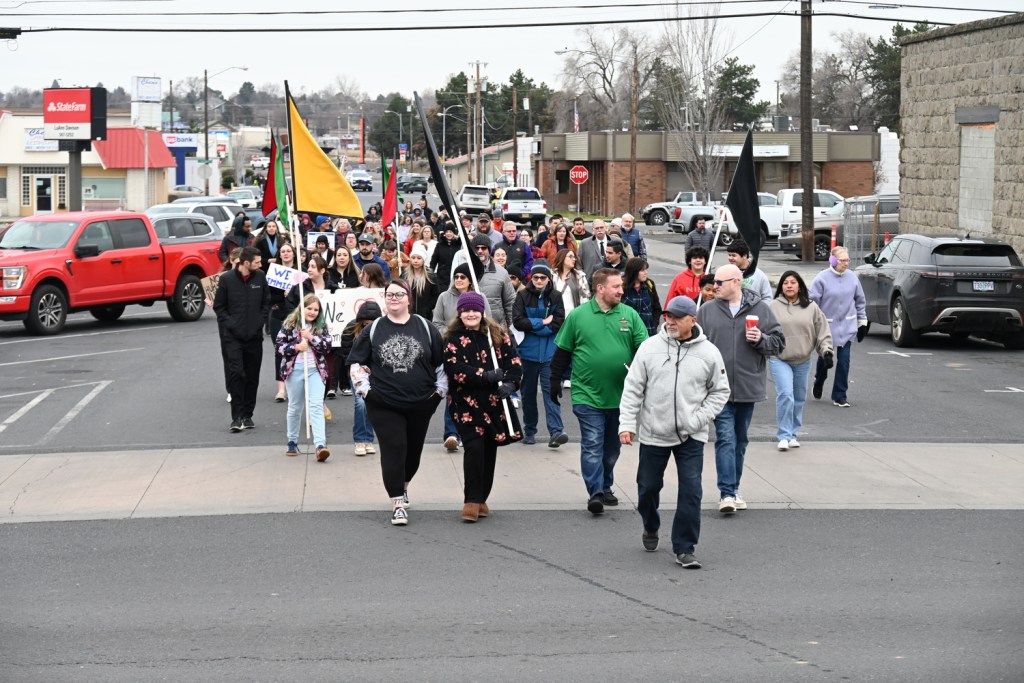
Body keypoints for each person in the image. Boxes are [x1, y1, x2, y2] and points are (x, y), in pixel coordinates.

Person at [619, 296, 730, 569]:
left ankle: (684, 547)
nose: (670, 321)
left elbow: (720, 391)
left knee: (691, 491)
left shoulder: (709, 353)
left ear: (693, 320)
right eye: (668, 316)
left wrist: (698, 419)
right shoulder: (649, 348)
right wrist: (627, 424)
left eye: (677, 317)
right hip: (655, 431)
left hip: (691, 435)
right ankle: (650, 524)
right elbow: (633, 388)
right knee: (647, 488)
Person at [347, 278, 447, 526]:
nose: (394, 298)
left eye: (399, 294)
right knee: (394, 448)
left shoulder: (425, 327)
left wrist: (438, 394)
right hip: (384, 403)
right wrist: (367, 392)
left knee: (412, 453)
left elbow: (442, 364)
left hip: (421, 402)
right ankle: (397, 504)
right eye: (390, 294)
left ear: (408, 298)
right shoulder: (374, 329)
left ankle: (402, 487)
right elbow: (356, 363)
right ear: (384, 298)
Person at [550, 269, 648, 514]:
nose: (621, 290)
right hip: (587, 394)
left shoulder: (630, 315)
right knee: (593, 443)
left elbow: (645, 352)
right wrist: (554, 380)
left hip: (621, 396)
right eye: (616, 286)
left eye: (621, 286)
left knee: (611, 448)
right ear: (600, 288)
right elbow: (562, 351)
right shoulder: (578, 316)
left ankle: (605, 485)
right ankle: (595, 492)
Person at [697, 264, 785, 514]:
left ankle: (733, 489)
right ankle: (727, 493)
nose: (715, 286)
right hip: (716, 388)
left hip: (748, 385)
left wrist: (762, 340)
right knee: (725, 436)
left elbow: (779, 344)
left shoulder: (760, 310)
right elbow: (694, 344)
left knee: (740, 439)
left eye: (720, 282)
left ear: (736, 281)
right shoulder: (706, 311)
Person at [444, 291, 524, 522]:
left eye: (475, 310)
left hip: (494, 402)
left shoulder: (498, 334)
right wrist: (486, 375)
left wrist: (510, 383)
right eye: (466, 310)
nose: (471, 314)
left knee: (490, 450)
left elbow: (514, 362)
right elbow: (454, 369)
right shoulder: (452, 338)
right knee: (475, 448)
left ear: (482, 312)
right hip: (465, 403)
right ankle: (470, 500)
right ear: (460, 313)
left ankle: (481, 498)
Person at [769, 271, 833, 450]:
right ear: (781, 286)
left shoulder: (811, 307)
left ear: (800, 286)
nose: (789, 285)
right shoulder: (772, 306)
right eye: (786, 283)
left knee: (798, 398)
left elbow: (822, 330)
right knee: (785, 395)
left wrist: (826, 351)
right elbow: (763, 330)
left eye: (793, 282)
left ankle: (792, 434)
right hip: (779, 358)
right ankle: (783, 435)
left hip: (803, 359)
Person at [433, 262, 492, 451]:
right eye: (456, 277)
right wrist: (452, 336)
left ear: (469, 280)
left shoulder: (480, 297)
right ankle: (451, 434)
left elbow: (488, 322)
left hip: (476, 350)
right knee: (454, 390)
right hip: (452, 348)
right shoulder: (444, 297)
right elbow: (437, 322)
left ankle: (474, 430)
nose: (458, 280)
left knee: (476, 391)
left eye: (462, 277)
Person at [213, 247, 270, 432]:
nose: (260, 265)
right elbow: (219, 307)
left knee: (252, 376)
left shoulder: (260, 277)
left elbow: (265, 303)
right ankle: (236, 417)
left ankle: (247, 414)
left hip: (254, 337)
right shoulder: (226, 279)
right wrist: (231, 324)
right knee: (237, 374)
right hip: (233, 338)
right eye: (257, 262)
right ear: (246, 263)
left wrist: (259, 322)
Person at [512, 259, 568, 448]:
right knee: (527, 394)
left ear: (548, 279)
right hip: (528, 354)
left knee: (551, 392)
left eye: (542, 277)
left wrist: (535, 327)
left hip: (549, 355)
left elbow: (559, 321)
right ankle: (529, 430)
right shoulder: (522, 296)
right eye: (535, 277)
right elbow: (518, 321)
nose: (538, 280)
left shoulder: (556, 296)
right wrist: (542, 323)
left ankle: (556, 431)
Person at [809, 247, 868, 408]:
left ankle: (840, 395)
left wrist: (862, 322)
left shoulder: (853, 278)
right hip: (826, 328)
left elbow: (860, 301)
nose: (846, 263)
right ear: (833, 261)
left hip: (848, 327)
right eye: (842, 260)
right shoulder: (821, 279)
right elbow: (811, 302)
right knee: (825, 361)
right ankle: (819, 381)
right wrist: (813, 323)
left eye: (848, 260)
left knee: (844, 361)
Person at [276, 294, 332, 461]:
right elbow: (279, 347)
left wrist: (311, 338)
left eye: (316, 309)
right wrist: (296, 347)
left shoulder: (321, 326)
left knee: (316, 405)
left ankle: (320, 446)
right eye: (309, 308)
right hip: (295, 370)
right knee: (295, 407)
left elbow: (327, 347)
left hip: (315, 370)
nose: (312, 312)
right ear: (302, 308)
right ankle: (292, 442)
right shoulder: (290, 324)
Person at [339, 300, 382, 456]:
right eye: (365, 324)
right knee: (360, 403)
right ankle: (359, 440)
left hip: (374, 372)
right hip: (356, 371)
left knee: (370, 403)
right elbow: (345, 353)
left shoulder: (382, 330)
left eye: (371, 323)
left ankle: (368, 439)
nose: (368, 326)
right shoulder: (351, 330)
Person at [269, 242, 299, 403]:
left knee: (296, 350)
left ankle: (294, 384)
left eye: (289, 251)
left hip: (296, 317)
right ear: (280, 255)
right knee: (279, 350)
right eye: (283, 251)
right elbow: (268, 296)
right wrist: (283, 294)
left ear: (293, 254)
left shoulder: (301, 272)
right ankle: (281, 389)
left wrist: (293, 293)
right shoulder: (274, 273)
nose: (286, 253)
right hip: (278, 315)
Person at [470, 233, 516, 329]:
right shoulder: (464, 272)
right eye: (477, 248)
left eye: (483, 248)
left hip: (496, 327)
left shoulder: (502, 272)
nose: (480, 251)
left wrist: (512, 329)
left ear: (489, 250)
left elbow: (510, 302)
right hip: (470, 326)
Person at [622, 257, 663, 337]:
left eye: (646, 270)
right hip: (628, 333)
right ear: (633, 271)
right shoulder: (621, 286)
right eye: (642, 270)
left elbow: (657, 308)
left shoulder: (649, 284)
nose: (646, 273)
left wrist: (654, 325)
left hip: (648, 332)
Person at [726, 239, 772, 304]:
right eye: (729, 255)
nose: (730, 258)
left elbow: (767, 298)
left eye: (733, 255)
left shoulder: (759, 275)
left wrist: (760, 311)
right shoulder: (725, 273)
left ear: (744, 256)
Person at [404, 244, 440, 318]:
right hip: (408, 313)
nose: (415, 261)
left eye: (419, 258)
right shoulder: (405, 275)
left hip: (426, 315)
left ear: (423, 260)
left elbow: (436, 294)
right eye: (413, 258)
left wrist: (428, 308)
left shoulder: (430, 276)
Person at [430, 221, 462, 291]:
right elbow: (434, 260)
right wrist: (430, 273)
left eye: (450, 231)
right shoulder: (439, 245)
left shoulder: (459, 244)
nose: (448, 234)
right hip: (442, 276)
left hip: (456, 274)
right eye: (447, 232)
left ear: (454, 233)